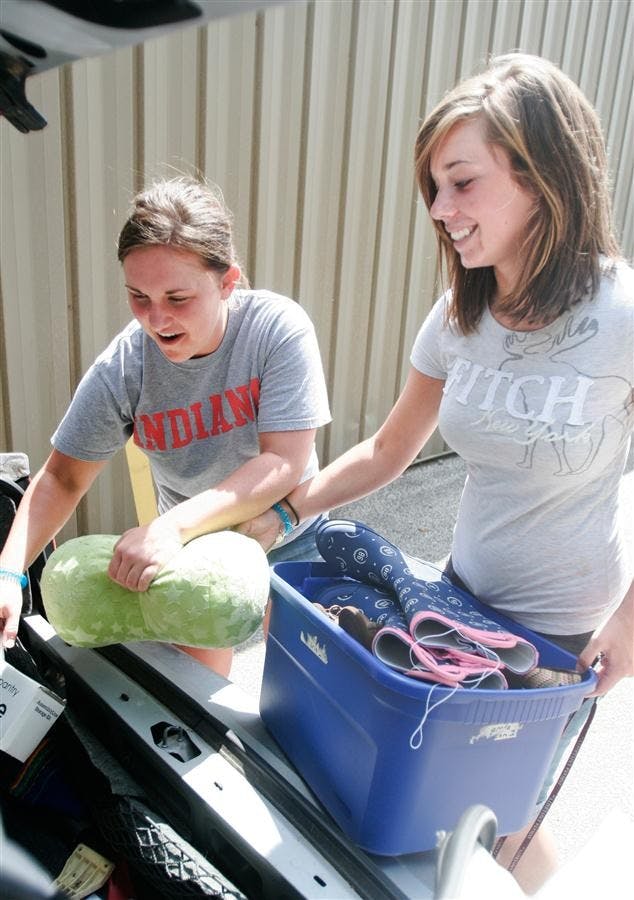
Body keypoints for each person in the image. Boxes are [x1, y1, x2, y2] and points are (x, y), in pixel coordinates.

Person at [237, 53, 633, 891]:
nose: (440, 210)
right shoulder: (460, 312)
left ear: (543, 174)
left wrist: (633, 619)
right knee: (446, 813)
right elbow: (387, 450)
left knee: (508, 824)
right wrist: (281, 515)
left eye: (462, 183)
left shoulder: (620, 313)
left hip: (557, 633)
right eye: (434, 189)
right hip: (454, 600)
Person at [0, 175, 331, 676]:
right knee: (199, 705)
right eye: (138, 297)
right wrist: (8, 572)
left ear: (227, 281)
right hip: (190, 558)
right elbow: (61, 479)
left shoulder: (275, 329)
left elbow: (283, 459)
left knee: (304, 696)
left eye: (177, 298)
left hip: (287, 533)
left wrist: (168, 527)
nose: (156, 320)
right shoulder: (124, 368)